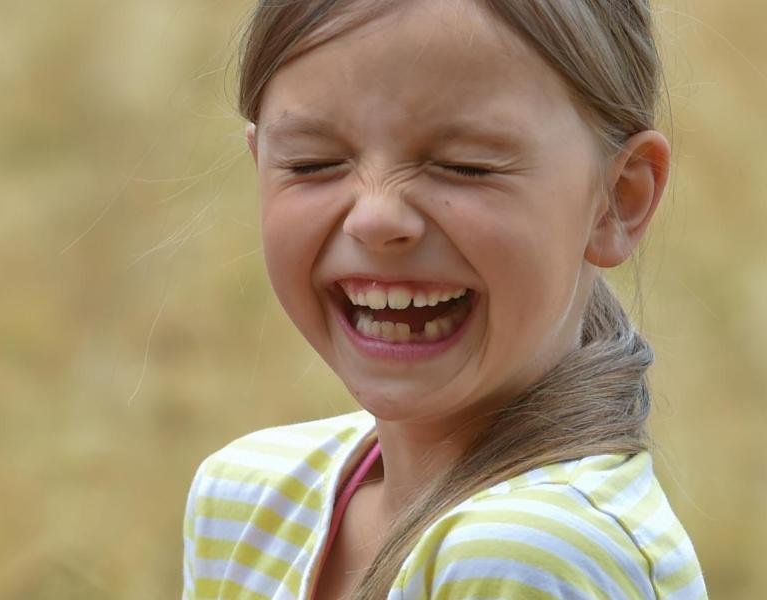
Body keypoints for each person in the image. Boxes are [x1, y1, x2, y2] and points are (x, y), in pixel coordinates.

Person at [182, 0, 708, 598]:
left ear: (618, 198)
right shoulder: (246, 501)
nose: (377, 217)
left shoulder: (530, 556)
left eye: (466, 167)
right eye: (313, 164)